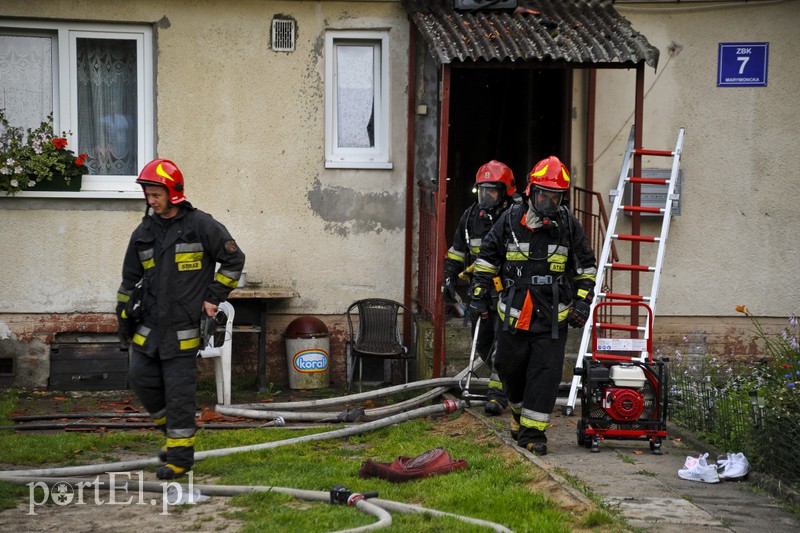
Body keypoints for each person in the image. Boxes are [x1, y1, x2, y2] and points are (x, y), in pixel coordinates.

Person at [116, 158, 245, 480]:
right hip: (149, 326)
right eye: (147, 192)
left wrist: (213, 297)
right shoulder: (144, 232)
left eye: (155, 192)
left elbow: (233, 260)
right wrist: (122, 316)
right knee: (141, 379)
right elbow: (129, 280)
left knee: (179, 392)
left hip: (183, 328)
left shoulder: (201, 226)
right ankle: (173, 437)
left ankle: (180, 458)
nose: (150, 199)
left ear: (173, 192)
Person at [469, 156, 596, 455]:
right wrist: (478, 294)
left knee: (546, 373)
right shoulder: (510, 220)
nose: (550, 203)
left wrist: (582, 303)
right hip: (514, 312)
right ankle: (518, 413)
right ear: (531, 192)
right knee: (508, 367)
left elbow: (586, 267)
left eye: (556, 197)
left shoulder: (568, 224)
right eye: (544, 196)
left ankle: (533, 434)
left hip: (552, 315)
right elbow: (488, 257)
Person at [443, 160, 519, 416]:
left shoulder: (516, 216)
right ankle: (511, 385)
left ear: (506, 191)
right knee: (485, 343)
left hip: (509, 291)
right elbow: (456, 251)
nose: (486, 196)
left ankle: (497, 396)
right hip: (480, 291)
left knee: (504, 343)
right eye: (482, 190)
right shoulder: (470, 217)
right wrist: (450, 277)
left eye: (492, 191)